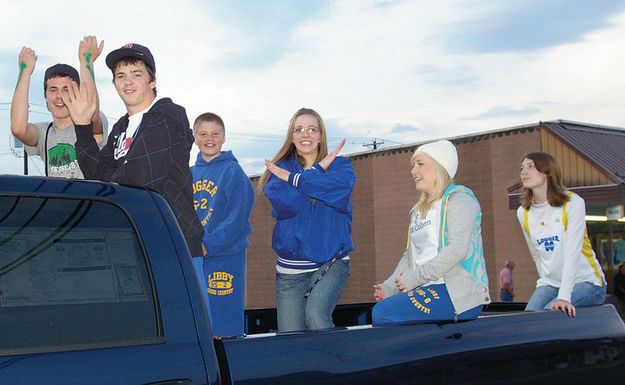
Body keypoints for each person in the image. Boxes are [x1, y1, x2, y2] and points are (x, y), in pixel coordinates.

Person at [62, 41, 203, 256]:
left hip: (175, 246)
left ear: (152, 81)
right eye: (121, 76)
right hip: (137, 243)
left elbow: (136, 181)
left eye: (136, 74)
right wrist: (82, 128)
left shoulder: (168, 116)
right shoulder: (121, 127)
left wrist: (109, 178)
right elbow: (95, 176)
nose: (128, 82)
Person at [372, 140, 490, 325]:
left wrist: (415, 278)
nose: (413, 171)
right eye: (413, 166)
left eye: (420, 164)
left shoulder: (460, 201)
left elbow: (458, 249)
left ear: (440, 166)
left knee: (383, 313)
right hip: (427, 287)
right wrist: (389, 287)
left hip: (456, 294)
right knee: (377, 311)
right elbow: (409, 256)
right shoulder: (419, 210)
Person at [258, 108, 355, 332]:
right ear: (291, 136)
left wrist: (294, 180)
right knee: (291, 341)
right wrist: (317, 171)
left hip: (330, 263)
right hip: (290, 272)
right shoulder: (279, 169)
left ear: (321, 135)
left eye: (312, 129)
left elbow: (339, 191)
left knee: (316, 318)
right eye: (299, 129)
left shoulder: (341, 166)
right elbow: (288, 203)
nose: (305, 135)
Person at [517, 152, 606, 317]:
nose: (524, 172)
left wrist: (564, 297)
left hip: (586, 282)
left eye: (531, 167)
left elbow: (572, 253)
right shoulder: (523, 212)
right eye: (522, 168)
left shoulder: (573, 203)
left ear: (548, 172)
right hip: (551, 283)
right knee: (526, 320)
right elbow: (537, 255)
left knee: (549, 315)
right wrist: (545, 282)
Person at [191, 112, 254, 337]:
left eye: (215, 133)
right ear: (195, 137)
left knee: (223, 320)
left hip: (225, 256)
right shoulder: (189, 174)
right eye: (203, 133)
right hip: (196, 256)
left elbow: (237, 218)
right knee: (200, 318)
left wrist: (210, 244)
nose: (210, 138)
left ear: (224, 137)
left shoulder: (233, 171)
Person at [10, 37, 108, 178]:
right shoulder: (44, 132)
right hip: (60, 200)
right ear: (46, 96)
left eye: (66, 89)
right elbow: (18, 129)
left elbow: (90, 111)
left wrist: (86, 61)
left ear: (78, 92)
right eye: (53, 89)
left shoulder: (87, 127)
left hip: (89, 199)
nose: (59, 96)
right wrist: (24, 73)